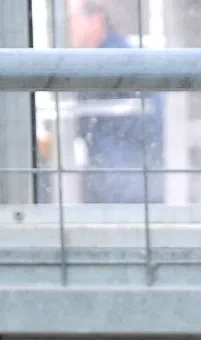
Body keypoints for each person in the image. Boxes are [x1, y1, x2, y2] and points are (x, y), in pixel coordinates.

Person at [69, 0, 163, 205]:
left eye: (72, 19)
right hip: (131, 182)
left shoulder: (106, 63)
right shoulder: (113, 57)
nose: (68, 27)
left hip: (124, 187)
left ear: (96, 20)